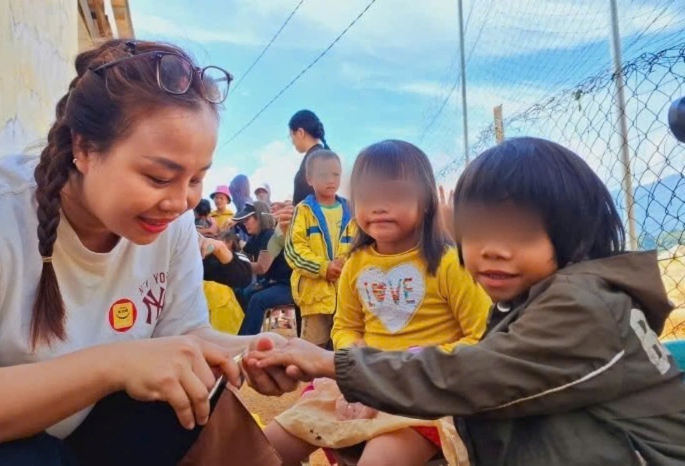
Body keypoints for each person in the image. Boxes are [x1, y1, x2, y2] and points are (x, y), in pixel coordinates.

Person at [0, 39, 299, 466]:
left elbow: (183, 337)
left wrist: (259, 350)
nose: (180, 203)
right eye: (159, 177)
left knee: (179, 405)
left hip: (84, 434)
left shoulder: (171, 227)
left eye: (196, 179)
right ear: (83, 149)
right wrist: (114, 364)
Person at [250, 137, 685, 465]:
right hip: (389, 378)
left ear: (576, 234)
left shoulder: (583, 305)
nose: (492, 250)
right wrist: (349, 358)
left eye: (518, 233)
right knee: (289, 428)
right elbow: (350, 325)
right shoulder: (531, 299)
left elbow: (474, 372)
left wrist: (333, 364)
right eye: (476, 232)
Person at [269, 141, 491, 466]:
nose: (379, 206)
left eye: (395, 195)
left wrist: (408, 365)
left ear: (427, 201)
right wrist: (355, 357)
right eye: (367, 196)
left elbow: (482, 337)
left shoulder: (448, 263)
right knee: (266, 446)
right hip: (362, 381)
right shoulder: (355, 264)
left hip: (425, 392)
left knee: (380, 457)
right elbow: (345, 326)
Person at [284, 150, 356, 347]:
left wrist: (344, 264)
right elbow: (293, 249)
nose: (331, 180)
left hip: (347, 297)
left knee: (346, 347)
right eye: (324, 175)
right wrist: (323, 267)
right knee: (312, 349)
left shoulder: (351, 210)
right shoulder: (304, 210)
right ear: (310, 179)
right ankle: (310, 380)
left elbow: (359, 246)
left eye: (336, 174)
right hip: (315, 296)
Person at [234, 202, 294, 336]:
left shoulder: (270, 236)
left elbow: (262, 268)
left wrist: (232, 263)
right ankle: (252, 328)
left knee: (257, 300)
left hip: (287, 285)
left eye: (247, 219)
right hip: (274, 282)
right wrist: (233, 236)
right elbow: (247, 248)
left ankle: (246, 338)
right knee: (242, 292)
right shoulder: (258, 236)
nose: (244, 223)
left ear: (259, 218)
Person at [289, 109, 329, 205]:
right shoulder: (321, 155)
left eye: (291, 136)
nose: (292, 141)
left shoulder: (317, 159)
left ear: (300, 133)